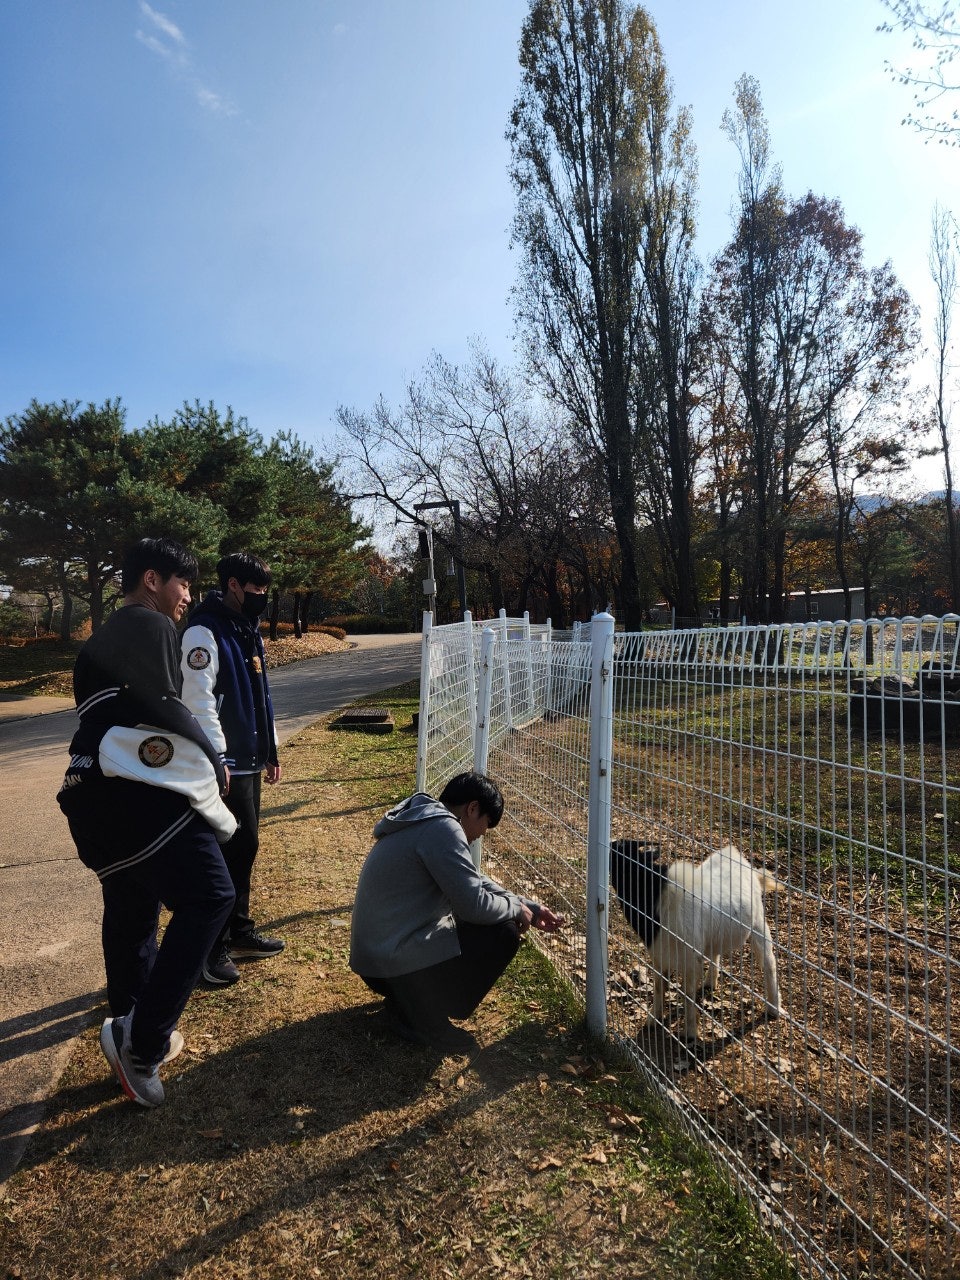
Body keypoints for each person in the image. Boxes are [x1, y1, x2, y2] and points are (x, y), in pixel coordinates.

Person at [57, 537, 237, 1108]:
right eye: (184, 583)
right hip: (134, 797)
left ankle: (129, 1027)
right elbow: (165, 706)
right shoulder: (150, 623)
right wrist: (211, 756)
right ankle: (143, 1046)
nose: (188, 597)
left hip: (89, 798)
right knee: (211, 896)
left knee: (132, 912)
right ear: (153, 579)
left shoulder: (97, 642)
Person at [349, 771, 565, 1052]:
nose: (480, 836)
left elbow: (472, 880)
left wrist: (528, 907)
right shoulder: (443, 828)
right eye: (485, 825)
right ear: (472, 808)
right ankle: (423, 1021)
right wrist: (516, 910)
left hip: (376, 961)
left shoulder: (425, 820)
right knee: (503, 931)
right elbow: (473, 905)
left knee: (496, 917)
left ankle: (407, 1004)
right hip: (387, 965)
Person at [180, 551, 284, 986]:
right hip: (224, 764)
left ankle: (239, 929)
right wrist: (217, 757)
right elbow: (200, 702)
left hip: (250, 759)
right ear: (234, 586)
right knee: (224, 853)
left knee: (247, 846)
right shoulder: (204, 630)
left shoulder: (247, 628)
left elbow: (261, 693)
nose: (261, 597)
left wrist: (271, 749)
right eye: (255, 589)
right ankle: (212, 946)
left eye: (265, 590)